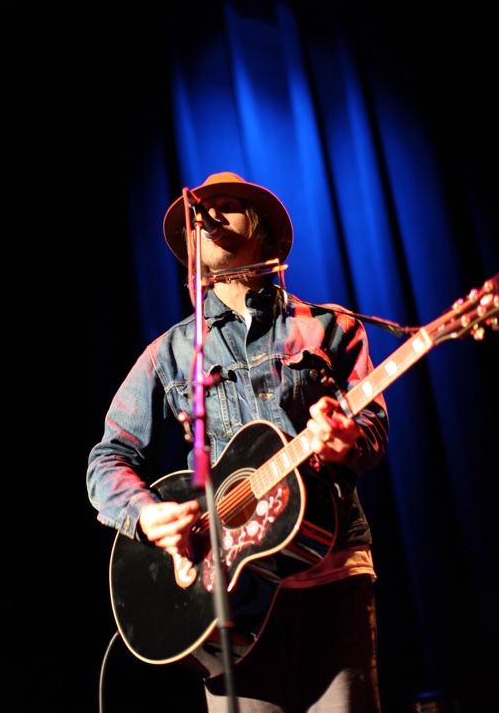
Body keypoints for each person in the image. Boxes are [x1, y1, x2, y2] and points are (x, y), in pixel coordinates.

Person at [87, 171, 389, 713]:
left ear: (263, 232)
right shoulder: (170, 353)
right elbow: (107, 459)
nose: (210, 218)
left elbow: (371, 427)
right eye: (201, 214)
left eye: (228, 206)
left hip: (330, 568)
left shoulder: (330, 327)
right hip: (227, 596)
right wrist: (146, 515)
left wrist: (345, 439)